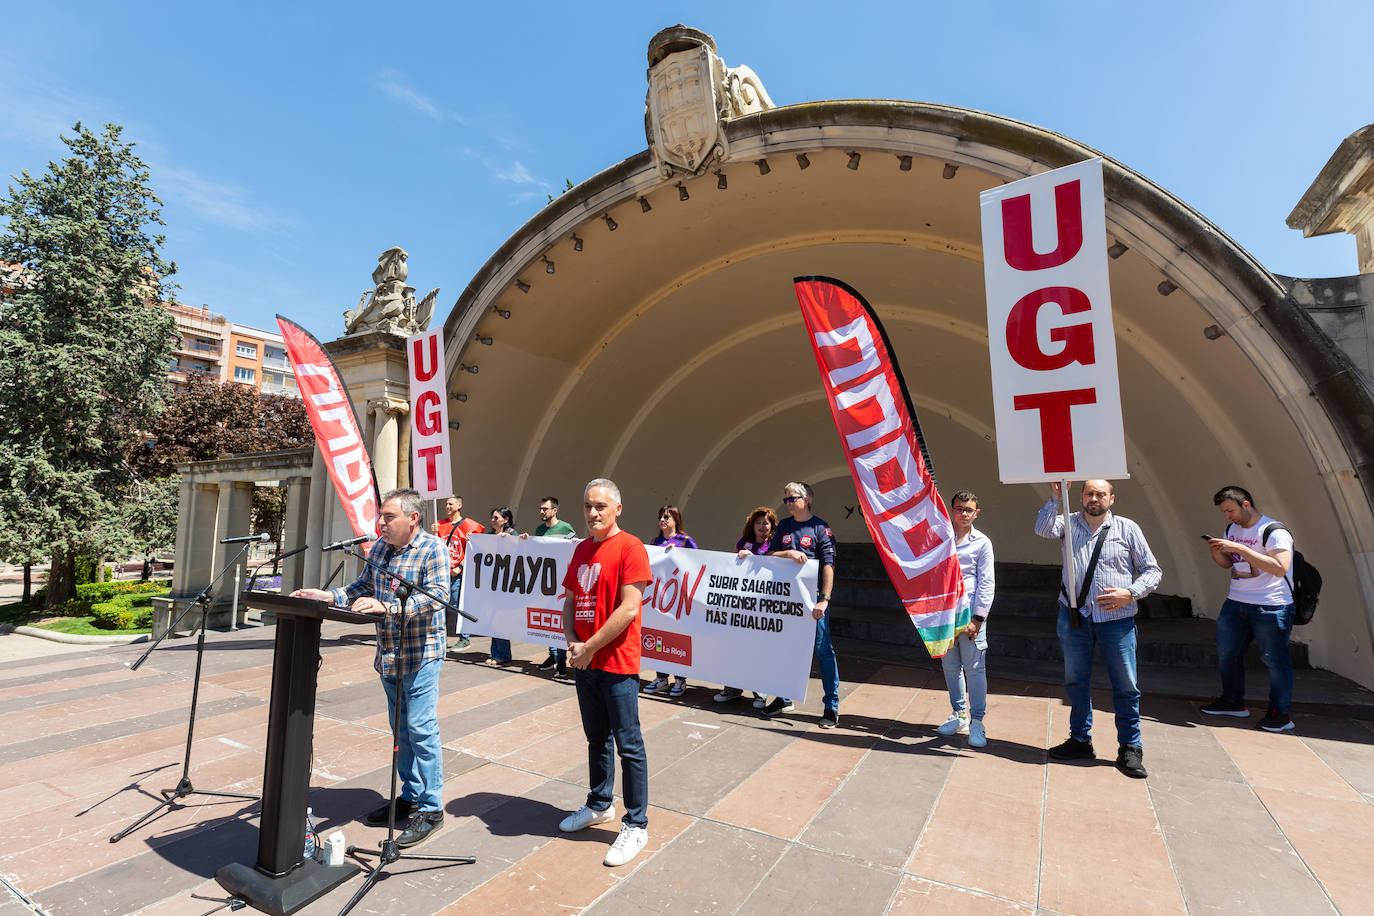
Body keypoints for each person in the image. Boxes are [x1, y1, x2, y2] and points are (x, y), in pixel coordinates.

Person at [292, 488, 449, 847]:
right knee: (401, 731)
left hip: (421, 655)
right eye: (380, 516)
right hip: (389, 655)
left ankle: (432, 807)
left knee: (421, 729)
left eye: (389, 517)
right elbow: (364, 585)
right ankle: (410, 796)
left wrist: (389, 608)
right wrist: (329, 596)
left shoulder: (432, 549)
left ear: (413, 518)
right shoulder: (379, 549)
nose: (380, 523)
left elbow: (439, 595)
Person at [1035, 480, 1161, 778]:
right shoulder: (1067, 523)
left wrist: (1129, 593)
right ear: (1081, 497)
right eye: (1089, 493)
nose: (1094, 498)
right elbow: (1042, 529)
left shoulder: (1127, 528)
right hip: (1074, 616)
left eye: (1100, 494)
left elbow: (1152, 570)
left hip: (1116, 621)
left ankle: (1130, 747)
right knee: (1076, 682)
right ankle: (1080, 740)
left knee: (1126, 685)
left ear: (1111, 498)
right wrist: (1055, 498)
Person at [557, 478, 653, 867]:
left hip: (616, 664)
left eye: (600, 506)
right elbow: (569, 602)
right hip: (586, 662)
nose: (593, 513)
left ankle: (637, 824)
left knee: (628, 744)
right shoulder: (581, 549)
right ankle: (599, 803)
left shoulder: (631, 547)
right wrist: (571, 643)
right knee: (596, 738)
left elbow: (630, 608)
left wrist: (589, 646)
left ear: (617, 508)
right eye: (587, 506)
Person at [1201, 486, 1297, 732]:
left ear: (1246, 504)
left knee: (1275, 660)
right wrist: (1217, 553)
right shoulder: (1232, 529)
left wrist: (1243, 549)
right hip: (1236, 602)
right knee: (1227, 653)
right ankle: (1233, 702)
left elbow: (1280, 568)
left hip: (1271, 605)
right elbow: (1228, 565)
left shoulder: (1273, 531)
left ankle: (1280, 713)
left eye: (1230, 510)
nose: (1227, 516)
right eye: (1224, 512)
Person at [763, 482, 840, 729]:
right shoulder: (784, 526)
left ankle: (831, 706)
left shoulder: (820, 527)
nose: (787, 503)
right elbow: (769, 555)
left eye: (791, 498)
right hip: (786, 599)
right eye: (785, 499)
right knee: (785, 649)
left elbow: (828, 564)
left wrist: (824, 599)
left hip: (812, 600)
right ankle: (784, 698)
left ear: (806, 500)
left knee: (823, 651)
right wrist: (788, 554)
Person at [937, 490, 995, 748]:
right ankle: (959, 714)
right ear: (952, 509)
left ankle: (978, 721)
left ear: (976, 513)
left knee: (974, 668)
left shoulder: (982, 542)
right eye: (959, 508)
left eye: (968, 510)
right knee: (950, 665)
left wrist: (978, 618)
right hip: (945, 611)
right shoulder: (940, 537)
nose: (963, 514)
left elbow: (986, 583)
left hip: (971, 611)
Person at [715, 506, 778, 706]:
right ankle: (733, 688)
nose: (762, 526)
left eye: (765, 523)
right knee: (737, 646)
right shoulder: (744, 542)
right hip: (743, 604)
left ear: (772, 526)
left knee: (760, 649)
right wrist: (738, 556)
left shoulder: (776, 543)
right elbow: (732, 567)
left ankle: (760, 692)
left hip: (765, 603)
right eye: (758, 522)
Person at [644, 504, 697, 698]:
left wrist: (678, 554)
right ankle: (661, 678)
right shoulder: (655, 541)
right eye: (661, 516)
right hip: (659, 597)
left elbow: (698, 563)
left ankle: (681, 680)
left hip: (679, 597)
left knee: (677, 637)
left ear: (675, 520)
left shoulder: (685, 540)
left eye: (667, 516)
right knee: (660, 636)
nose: (663, 520)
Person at [523, 496, 578, 677]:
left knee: (560, 618)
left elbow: (574, 549)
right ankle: (553, 656)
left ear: (555, 510)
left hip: (561, 583)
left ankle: (561, 659)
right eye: (540, 508)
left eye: (545, 509)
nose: (542, 512)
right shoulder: (539, 530)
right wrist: (526, 540)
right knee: (548, 619)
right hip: (545, 583)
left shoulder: (565, 528)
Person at [432, 496, 483, 653]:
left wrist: (460, 567)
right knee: (441, 605)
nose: (447, 506)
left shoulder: (469, 525)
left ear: (459, 505)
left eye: (450, 504)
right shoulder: (439, 525)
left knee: (457, 605)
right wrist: (433, 534)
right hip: (443, 572)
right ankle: (441, 636)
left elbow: (475, 550)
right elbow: (435, 547)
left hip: (458, 573)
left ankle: (464, 637)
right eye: (446, 504)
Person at [483, 506, 519, 666]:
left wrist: (510, 541)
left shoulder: (512, 535)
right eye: (492, 517)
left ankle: (503, 654)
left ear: (506, 519)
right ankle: (495, 652)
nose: (493, 520)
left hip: (506, 584)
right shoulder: (490, 536)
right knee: (493, 618)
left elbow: (520, 552)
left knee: (501, 619)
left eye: (496, 518)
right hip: (492, 583)